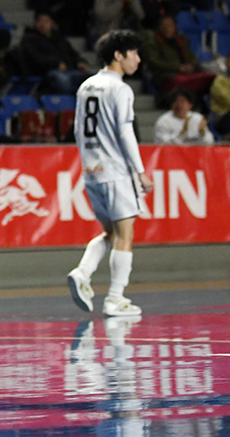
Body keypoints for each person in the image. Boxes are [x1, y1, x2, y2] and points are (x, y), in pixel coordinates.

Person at [67, 30, 153, 318]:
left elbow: (78, 130)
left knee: (110, 232)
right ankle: (115, 298)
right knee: (125, 235)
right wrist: (140, 172)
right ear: (118, 55)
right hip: (115, 171)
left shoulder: (86, 86)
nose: (138, 59)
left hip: (92, 172)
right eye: (134, 53)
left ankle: (82, 272)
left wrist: (88, 163)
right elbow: (125, 132)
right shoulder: (120, 88)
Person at [142, 15, 216, 96]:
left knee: (211, 78)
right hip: (166, 76)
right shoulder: (153, 43)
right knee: (182, 82)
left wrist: (191, 66)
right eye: (164, 26)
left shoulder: (181, 40)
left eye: (170, 25)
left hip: (187, 73)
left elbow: (192, 57)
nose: (167, 28)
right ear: (159, 27)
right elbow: (155, 62)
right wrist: (178, 68)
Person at [20, 11, 90, 95]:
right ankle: (64, 102)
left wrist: (80, 61)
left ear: (52, 23)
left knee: (89, 79)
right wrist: (55, 64)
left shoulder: (59, 38)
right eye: (40, 21)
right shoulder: (30, 39)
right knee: (63, 80)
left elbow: (72, 53)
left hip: (68, 70)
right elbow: (35, 58)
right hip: (45, 72)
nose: (43, 24)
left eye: (46, 21)